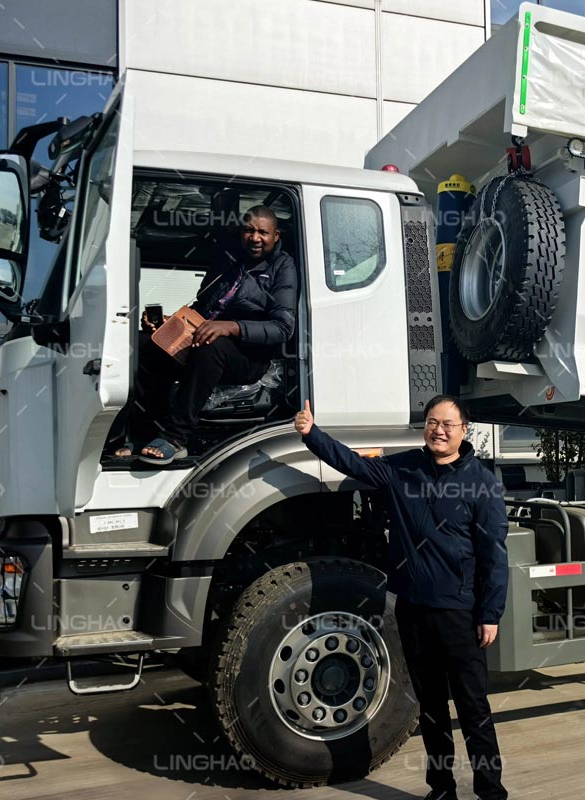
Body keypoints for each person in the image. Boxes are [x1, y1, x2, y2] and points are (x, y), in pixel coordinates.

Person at [294, 395, 509, 800]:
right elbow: (355, 464)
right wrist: (312, 435)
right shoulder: (404, 468)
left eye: (447, 424)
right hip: (413, 608)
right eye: (431, 422)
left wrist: (490, 613)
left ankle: (491, 792)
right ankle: (441, 790)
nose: (438, 430)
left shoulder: (481, 482)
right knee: (430, 708)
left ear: (465, 431)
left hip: (460, 613)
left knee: (473, 709)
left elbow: (494, 555)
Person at [118, 205, 296, 464]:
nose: (255, 238)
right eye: (249, 230)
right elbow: (202, 310)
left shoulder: (283, 266)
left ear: (275, 236)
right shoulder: (229, 262)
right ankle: (144, 432)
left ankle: (175, 438)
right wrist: (171, 325)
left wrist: (231, 326)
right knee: (147, 344)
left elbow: (283, 328)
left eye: (262, 232)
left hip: (248, 356)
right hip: (206, 340)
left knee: (210, 345)